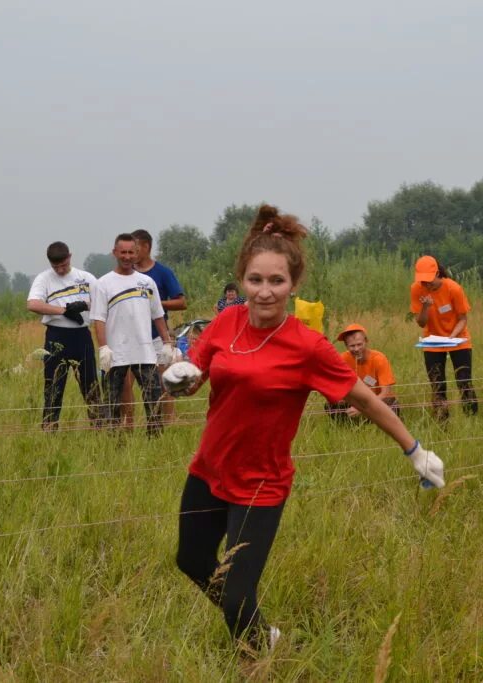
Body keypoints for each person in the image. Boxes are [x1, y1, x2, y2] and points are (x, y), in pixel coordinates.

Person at [164, 204, 445, 652]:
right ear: (242, 279)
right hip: (209, 471)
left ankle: (258, 655)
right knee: (191, 561)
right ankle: (261, 632)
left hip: (261, 484)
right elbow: (193, 376)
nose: (265, 292)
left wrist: (414, 449)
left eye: (277, 281)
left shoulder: (307, 346)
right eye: (256, 280)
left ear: (294, 285)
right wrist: (178, 377)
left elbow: (364, 398)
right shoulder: (225, 322)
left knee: (237, 598)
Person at [89, 233, 171, 435]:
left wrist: (167, 342)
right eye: (123, 252)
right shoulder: (103, 284)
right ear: (115, 252)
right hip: (116, 354)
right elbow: (98, 319)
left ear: (137, 253)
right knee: (112, 402)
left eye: (130, 252)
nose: (127, 257)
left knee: (153, 400)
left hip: (145, 352)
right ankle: (114, 440)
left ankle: (155, 439)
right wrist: (103, 348)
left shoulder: (147, 282)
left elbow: (158, 315)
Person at [26, 241, 101, 431]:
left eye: (63, 265)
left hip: (81, 336)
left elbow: (102, 302)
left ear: (70, 257)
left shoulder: (86, 278)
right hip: (56, 336)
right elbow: (33, 304)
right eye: (55, 266)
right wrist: (64, 310)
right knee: (53, 386)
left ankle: (99, 425)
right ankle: (50, 427)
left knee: (90, 384)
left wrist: (84, 305)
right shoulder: (44, 279)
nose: (60, 270)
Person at [121, 229, 186, 425]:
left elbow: (181, 302)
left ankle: (168, 421)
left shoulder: (163, 273)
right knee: (125, 383)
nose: (131, 253)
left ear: (146, 247)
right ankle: (127, 423)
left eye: (135, 248)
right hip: (129, 338)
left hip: (157, 335)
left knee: (164, 380)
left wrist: (155, 303)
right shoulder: (125, 274)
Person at [410, 255, 477, 420]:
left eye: (429, 280)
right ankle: (442, 420)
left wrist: (451, 338)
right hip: (432, 341)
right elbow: (421, 322)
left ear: (437, 273)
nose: (426, 284)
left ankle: (471, 417)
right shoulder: (417, 289)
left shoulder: (453, 288)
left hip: (459, 340)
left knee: (464, 380)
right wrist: (425, 306)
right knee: (437, 383)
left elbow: (463, 319)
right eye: (423, 281)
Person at [325, 323, 399, 419]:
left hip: (378, 400)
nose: (356, 349)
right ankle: (349, 427)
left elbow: (385, 393)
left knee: (391, 404)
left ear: (366, 341)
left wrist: (362, 408)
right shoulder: (342, 359)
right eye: (352, 346)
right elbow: (335, 388)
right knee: (331, 404)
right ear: (346, 346)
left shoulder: (379, 359)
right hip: (355, 401)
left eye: (359, 344)